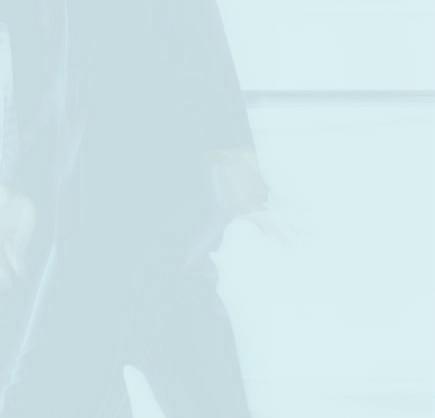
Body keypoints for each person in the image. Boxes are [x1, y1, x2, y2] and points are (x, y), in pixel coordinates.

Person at [0, 0, 267, 417]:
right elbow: (39, 44)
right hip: (95, 201)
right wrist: (28, 181)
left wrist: (226, 133)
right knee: (173, 323)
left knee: (50, 386)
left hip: (125, 193)